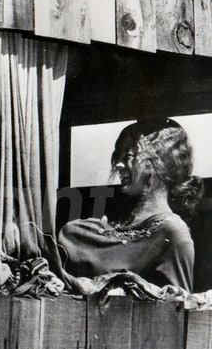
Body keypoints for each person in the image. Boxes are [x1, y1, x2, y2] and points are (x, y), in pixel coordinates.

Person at [58, 117, 203, 291]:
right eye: (117, 157)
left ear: (158, 161)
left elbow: (177, 310)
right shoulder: (94, 227)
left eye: (128, 156)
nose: (118, 165)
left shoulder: (173, 233)